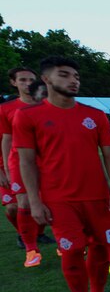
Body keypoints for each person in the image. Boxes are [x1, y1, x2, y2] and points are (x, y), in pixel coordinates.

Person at [15, 56, 110, 292]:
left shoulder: (95, 115)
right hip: (59, 199)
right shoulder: (29, 116)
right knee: (73, 250)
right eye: (64, 75)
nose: (73, 80)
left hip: (97, 197)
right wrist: (35, 200)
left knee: (101, 248)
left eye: (76, 76)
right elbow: (26, 161)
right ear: (47, 79)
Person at [0, 67, 56, 265]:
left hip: (46, 160)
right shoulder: (6, 109)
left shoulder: (48, 105)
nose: (27, 84)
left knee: (52, 201)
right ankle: (31, 251)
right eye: (22, 80)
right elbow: (6, 140)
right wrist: (6, 168)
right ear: (14, 83)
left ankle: (57, 240)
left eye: (31, 80)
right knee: (21, 204)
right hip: (18, 161)